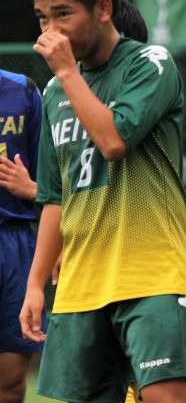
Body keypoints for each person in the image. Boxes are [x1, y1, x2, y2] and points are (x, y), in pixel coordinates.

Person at [19, 0, 186, 403]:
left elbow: (114, 141)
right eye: (42, 18)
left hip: (151, 273)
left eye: (63, 14)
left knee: (166, 398)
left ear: (104, 9)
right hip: (80, 285)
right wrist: (35, 284)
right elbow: (54, 197)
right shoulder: (56, 90)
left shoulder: (149, 64)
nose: (50, 31)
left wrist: (65, 71)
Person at [0, 68, 45, 403]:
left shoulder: (23, 90)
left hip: (15, 245)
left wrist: (33, 190)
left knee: (12, 382)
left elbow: (54, 181)